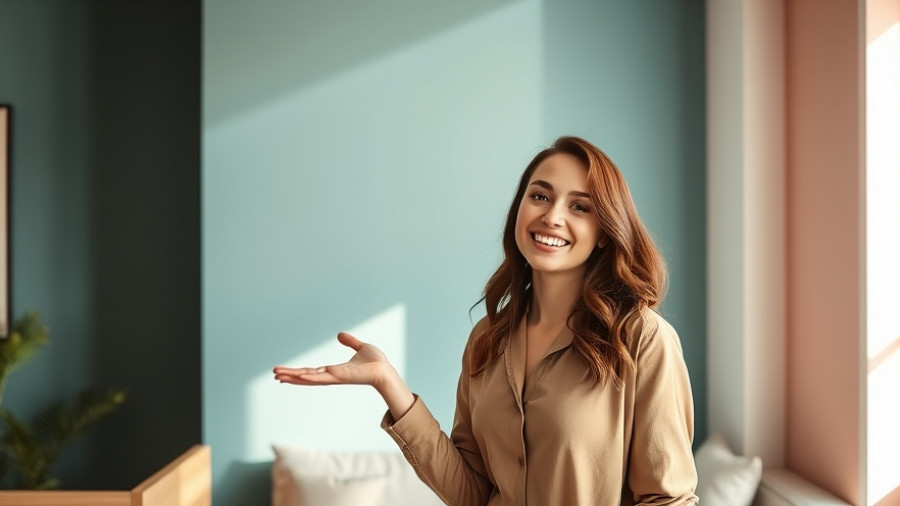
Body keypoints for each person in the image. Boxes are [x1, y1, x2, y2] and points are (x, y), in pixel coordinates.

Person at [273, 136, 698, 505]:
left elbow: (669, 500)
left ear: (605, 231)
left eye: (580, 206)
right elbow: (471, 494)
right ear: (520, 209)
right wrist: (389, 383)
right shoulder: (487, 340)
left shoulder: (642, 340)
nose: (552, 216)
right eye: (540, 196)